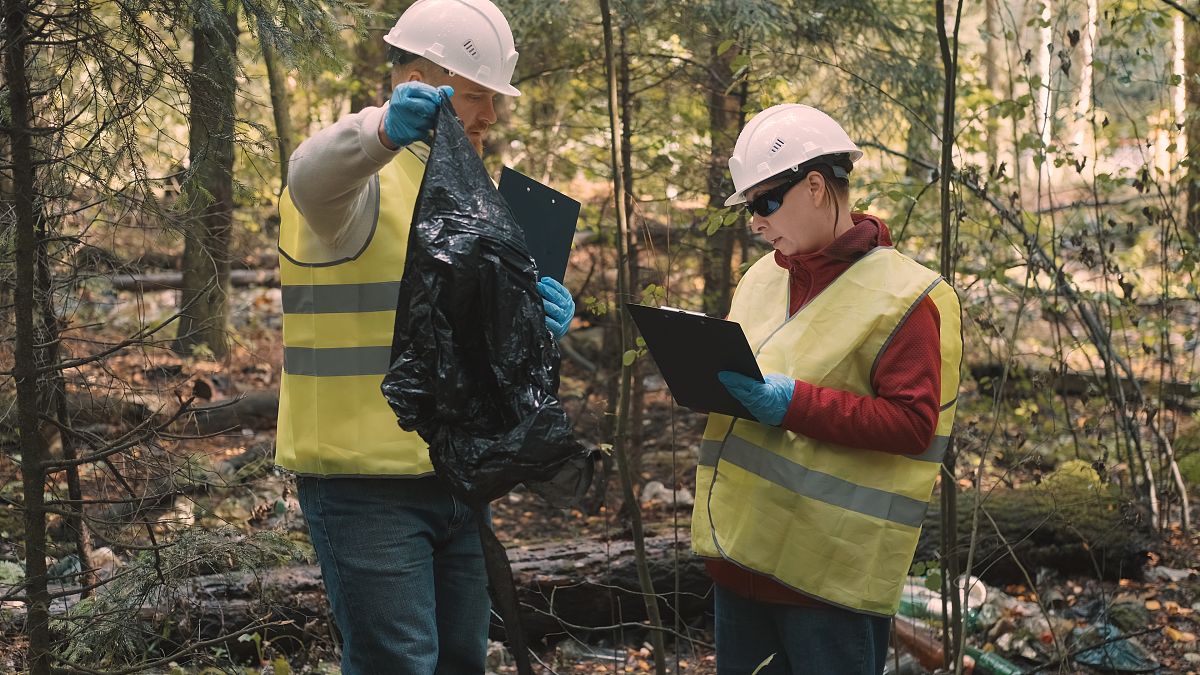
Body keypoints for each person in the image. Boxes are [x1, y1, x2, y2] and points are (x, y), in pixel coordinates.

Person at [272, 1, 575, 672]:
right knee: (398, 661)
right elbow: (309, 176)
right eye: (475, 97)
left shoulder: (466, 193)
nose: (489, 117)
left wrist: (532, 323)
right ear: (424, 80)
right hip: (362, 481)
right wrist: (378, 129)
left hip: (454, 475)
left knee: (462, 656)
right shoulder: (358, 177)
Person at [691, 104, 963, 674]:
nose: (756, 223)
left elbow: (914, 426)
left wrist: (792, 402)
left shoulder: (904, 297)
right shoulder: (764, 276)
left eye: (765, 202)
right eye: (749, 208)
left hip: (828, 579)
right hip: (740, 558)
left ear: (815, 186)